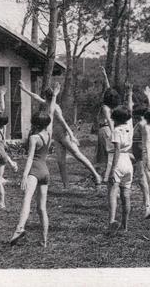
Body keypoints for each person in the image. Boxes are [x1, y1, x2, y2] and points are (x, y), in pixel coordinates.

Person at [19, 80, 102, 187]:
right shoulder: (46, 103)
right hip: (56, 137)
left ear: (48, 96)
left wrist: (72, 136)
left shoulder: (55, 108)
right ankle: (66, 185)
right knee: (60, 161)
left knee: (78, 156)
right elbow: (35, 96)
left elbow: (63, 122)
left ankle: (96, 175)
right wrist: (24, 89)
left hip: (64, 135)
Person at [9, 111, 54, 247]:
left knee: (27, 199)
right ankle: (44, 240)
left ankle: (20, 228)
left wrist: (24, 176)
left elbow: (29, 158)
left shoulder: (34, 137)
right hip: (45, 171)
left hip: (34, 171)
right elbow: (50, 111)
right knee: (42, 208)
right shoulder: (48, 134)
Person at [106, 85, 134, 233]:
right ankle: (125, 225)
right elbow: (130, 109)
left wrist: (111, 170)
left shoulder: (116, 130)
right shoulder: (130, 126)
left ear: (115, 119)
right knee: (126, 195)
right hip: (129, 163)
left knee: (113, 192)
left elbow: (116, 150)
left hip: (118, 161)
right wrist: (129, 94)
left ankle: (111, 221)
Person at [96, 66, 120, 179]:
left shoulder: (107, 106)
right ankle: (105, 175)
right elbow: (109, 121)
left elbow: (108, 88)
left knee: (108, 154)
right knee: (107, 154)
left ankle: (106, 175)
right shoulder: (108, 107)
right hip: (106, 129)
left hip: (106, 129)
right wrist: (114, 132)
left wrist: (105, 75)